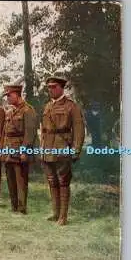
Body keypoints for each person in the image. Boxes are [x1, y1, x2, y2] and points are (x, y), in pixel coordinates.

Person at [41, 76, 85, 225]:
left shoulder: (71, 106)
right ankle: (55, 212)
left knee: (63, 181)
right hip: (47, 149)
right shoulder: (47, 106)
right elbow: (44, 130)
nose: (51, 90)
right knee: (52, 181)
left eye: (54, 87)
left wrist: (76, 150)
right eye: (49, 87)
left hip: (62, 148)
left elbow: (79, 130)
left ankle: (63, 217)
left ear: (61, 88)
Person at [0, 85, 37, 214]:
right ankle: (14, 206)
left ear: (17, 94)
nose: (8, 98)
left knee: (21, 180)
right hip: (9, 149)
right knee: (10, 179)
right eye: (7, 96)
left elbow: (30, 133)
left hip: (20, 149)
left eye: (9, 95)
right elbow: (6, 132)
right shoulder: (10, 111)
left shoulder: (28, 110)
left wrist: (24, 151)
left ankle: (22, 208)